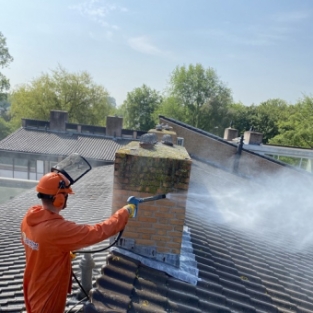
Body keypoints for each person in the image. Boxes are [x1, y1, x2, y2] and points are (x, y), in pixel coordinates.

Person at [21, 171, 136, 313]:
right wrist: (124, 213)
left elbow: (36, 248)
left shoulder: (30, 217)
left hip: (33, 287)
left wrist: (58, 253)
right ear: (59, 199)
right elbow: (96, 232)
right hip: (48, 295)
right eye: (65, 195)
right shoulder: (56, 229)